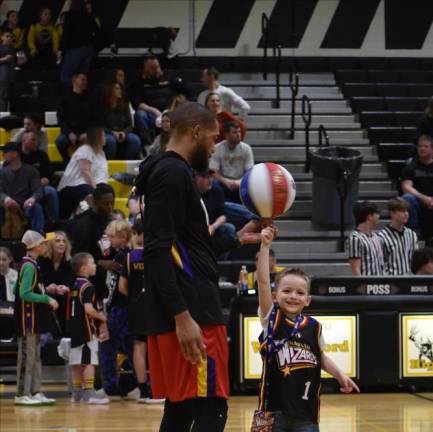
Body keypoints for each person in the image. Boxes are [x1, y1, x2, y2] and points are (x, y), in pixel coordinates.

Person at [134, 101, 264, 430]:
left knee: (182, 408)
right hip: (191, 311)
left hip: (181, 307)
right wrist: (182, 316)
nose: (214, 145)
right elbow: (157, 250)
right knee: (210, 406)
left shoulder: (163, 171)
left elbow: (186, 245)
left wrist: (236, 238)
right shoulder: (172, 173)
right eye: (211, 137)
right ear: (194, 132)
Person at [255, 226, 359, 431]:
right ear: (276, 296)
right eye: (286, 291)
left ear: (308, 300)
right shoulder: (272, 318)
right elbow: (264, 282)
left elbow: (322, 358)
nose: (293, 296)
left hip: (307, 413)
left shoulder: (314, 327)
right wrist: (265, 246)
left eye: (300, 292)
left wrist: (340, 375)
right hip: (272, 411)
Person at [118, 221, 163, 403]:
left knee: (139, 346)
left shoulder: (128, 258)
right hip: (157, 306)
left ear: (136, 234)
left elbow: (122, 287)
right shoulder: (159, 254)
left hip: (136, 307)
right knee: (157, 346)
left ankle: (143, 389)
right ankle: (158, 388)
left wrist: (135, 298)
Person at [13, 230, 59, 406]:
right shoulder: (29, 265)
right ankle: (21, 393)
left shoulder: (33, 263)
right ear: (36, 246)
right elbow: (24, 294)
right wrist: (47, 298)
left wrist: (48, 291)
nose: (46, 245)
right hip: (26, 320)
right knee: (27, 357)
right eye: (44, 243)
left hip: (34, 319)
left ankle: (35, 391)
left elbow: (31, 290)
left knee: (36, 357)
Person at [99, 220, 136, 400]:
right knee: (131, 346)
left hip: (120, 307)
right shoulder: (124, 254)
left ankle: (111, 386)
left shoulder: (123, 255)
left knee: (108, 345)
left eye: (112, 236)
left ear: (123, 237)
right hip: (126, 307)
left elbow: (121, 286)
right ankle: (141, 382)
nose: (110, 239)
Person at [68, 252, 109, 404]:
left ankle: (76, 394)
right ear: (84, 269)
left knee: (76, 362)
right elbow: (88, 309)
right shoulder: (88, 286)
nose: (95, 266)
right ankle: (90, 394)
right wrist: (102, 317)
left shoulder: (74, 285)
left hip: (74, 328)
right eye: (92, 263)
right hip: (86, 330)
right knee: (90, 361)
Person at [130, 55, 189, 144]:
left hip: (171, 112)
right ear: (145, 69)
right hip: (151, 114)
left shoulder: (169, 78)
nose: (157, 70)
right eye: (153, 68)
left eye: (158, 66)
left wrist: (175, 106)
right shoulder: (139, 83)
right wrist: (154, 111)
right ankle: (147, 145)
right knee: (140, 115)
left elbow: (188, 91)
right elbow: (137, 103)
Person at [57, 126, 109, 218]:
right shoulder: (85, 149)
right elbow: (85, 171)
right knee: (90, 192)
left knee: (107, 192)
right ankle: (79, 215)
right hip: (72, 186)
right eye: (104, 135)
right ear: (97, 137)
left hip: (85, 186)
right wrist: (96, 189)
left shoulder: (101, 153)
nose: (106, 137)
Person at [0, 142, 44, 235]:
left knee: (37, 207)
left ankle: (38, 236)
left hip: (25, 204)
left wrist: (32, 199)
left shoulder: (31, 170)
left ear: (15, 153)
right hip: (8, 205)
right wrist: (6, 198)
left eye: (5, 152)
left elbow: (38, 190)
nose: (3, 154)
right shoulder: (2, 172)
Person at [19, 132, 59, 224]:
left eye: (37, 140)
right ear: (24, 141)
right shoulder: (16, 156)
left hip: (40, 187)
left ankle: (54, 223)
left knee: (51, 191)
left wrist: (46, 179)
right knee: (36, 206)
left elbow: (49, 174)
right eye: (33, 140)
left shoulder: (42, 155)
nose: (36, 142)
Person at [38, 231, 74, 334]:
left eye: (64, 241)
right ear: (50, 244)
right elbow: (37, 283)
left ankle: (65, 333)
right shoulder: (42, 260)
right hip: (46, 298)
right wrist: (47, 288)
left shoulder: (70, 262)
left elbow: (72, 283)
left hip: (64, 299)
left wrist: (66, 288)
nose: (62, 243)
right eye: (57, 241)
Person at [209, 121, 254, 203]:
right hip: (223, 183)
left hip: (241, 182)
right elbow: (213, 171)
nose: (238, 135)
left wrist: (239, 182)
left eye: (239, 132)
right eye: (235, 132)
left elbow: (250, 172)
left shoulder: (246, 148)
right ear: (226, 135)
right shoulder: (217, 148)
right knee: (214, 186)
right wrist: (226, 181)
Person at [401, 134, 433, 244]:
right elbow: (406, 187)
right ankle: (414, 233)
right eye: (420, 146)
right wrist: (425, 198)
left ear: (432, 149)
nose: (422, 149)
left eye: (425, 146)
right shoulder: (411, 167)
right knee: (407, 198)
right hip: (418, 203)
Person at [55, 73, 95, 162]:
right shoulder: (64, 98)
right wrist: (69, 133)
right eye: (83, 80)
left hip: (86, 132)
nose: (85, 82)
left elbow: (94, 118)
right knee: (60, 142)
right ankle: (68, 164)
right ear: (74, 80)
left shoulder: (90, 97)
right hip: (71, 131)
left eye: (86, 80)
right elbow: (61, 119)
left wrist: (87, 133)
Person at [60, 0, 99, 86]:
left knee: (65, 77)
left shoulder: (70, 15)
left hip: (75, 49)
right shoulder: (88, 16)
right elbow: (97, 32)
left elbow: (66, 35)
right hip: (89, 50)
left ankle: (75, 91)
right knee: (81, 77)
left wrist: (61, 51)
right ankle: (81, 94)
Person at [99, 82, 141, 160]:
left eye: (120, 89)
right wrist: (112, 133)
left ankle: (127, 164)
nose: (120, 91)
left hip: (122, 132)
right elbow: (100, 125)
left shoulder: (124, 105)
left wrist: (124, 133)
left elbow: (130, 125)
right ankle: (108, 166)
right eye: (117, 88)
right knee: (110, 141)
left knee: (135, 140)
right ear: (110, 90)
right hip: (108, 133)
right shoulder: (103, 106)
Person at [377, 198, 418, 275]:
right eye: (402, 211)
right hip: (390, 281)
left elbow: (415, 260)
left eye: (407, 211)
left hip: (409, 279)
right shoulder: (381, 237)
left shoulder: (412, 234)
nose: (406, 214)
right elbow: (379, 263)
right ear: (392, 213)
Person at [195, 168, 236, 241]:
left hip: (212, 226)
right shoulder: (190, 192)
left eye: (211, 177)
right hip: (196, 228)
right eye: (206, 177)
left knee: (229, 228)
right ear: (196, 178)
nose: (210, 180)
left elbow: (223, 216)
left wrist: (213, 227)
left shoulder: (216, 190)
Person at [349, 201, 385, 276]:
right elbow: (355, 268)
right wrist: (362, 286)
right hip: (367, 285)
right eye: (376, 214)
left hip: (380, 284)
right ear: (369, 217)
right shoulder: (355, 238)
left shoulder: (376, 236)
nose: (379, 216)